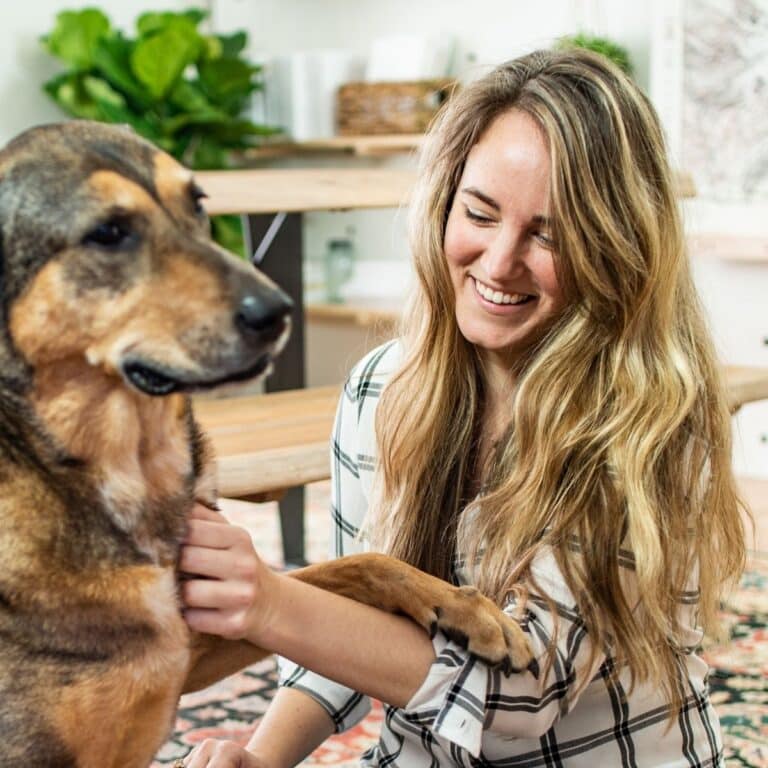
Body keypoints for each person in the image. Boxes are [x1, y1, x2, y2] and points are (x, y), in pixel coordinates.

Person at [178, 48, 747, 767]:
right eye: (479, 212)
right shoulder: (380, 388)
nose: (499, 262)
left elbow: (516, 702)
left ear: (616, 245)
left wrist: (269, 601)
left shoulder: (649, 419)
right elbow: (349, 636)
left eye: (550, 234)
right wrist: (259, 757)